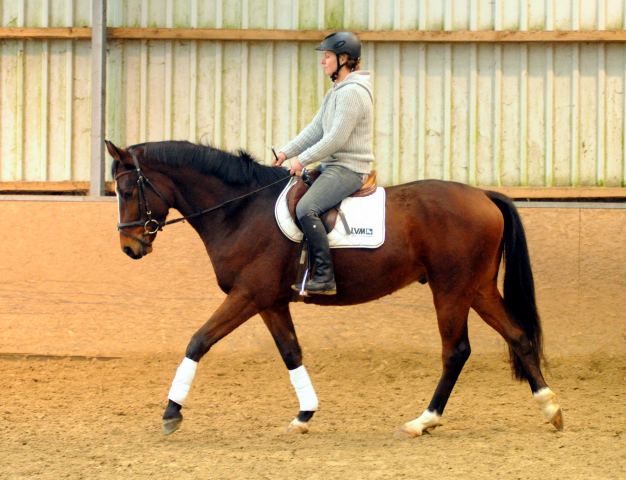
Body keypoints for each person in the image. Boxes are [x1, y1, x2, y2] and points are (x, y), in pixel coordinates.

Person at [272, 31, 374, 295]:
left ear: (343, 59)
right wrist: (285, 153)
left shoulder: (352, 93)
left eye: (327, 56)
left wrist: (302, 160)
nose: (322, 61)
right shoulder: (336, 92)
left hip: (349, 169)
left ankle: (326, 277)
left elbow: (336, 139)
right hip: (332, 166)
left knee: (307, 208)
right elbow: (316, 129)